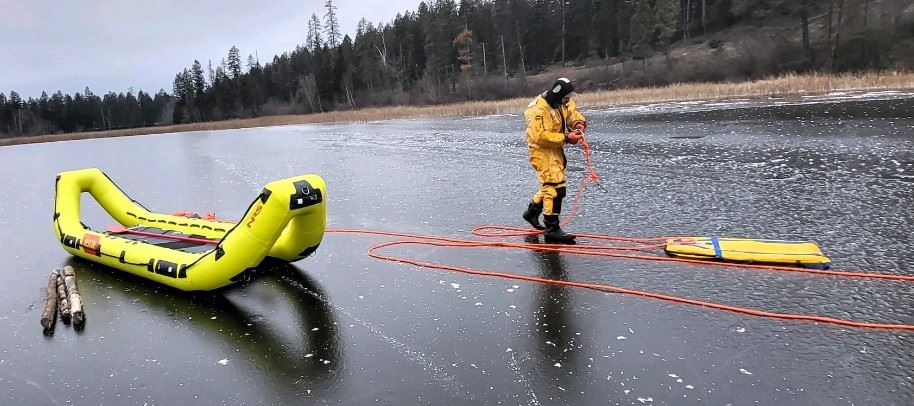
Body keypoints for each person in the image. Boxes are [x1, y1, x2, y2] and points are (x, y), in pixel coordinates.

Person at [522, 77, 586, 244]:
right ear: (557, 95)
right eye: (566, 98)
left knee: (552, 185)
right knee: (555, 187)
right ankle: (552, 228)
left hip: (555, 148)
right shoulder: (537, 110)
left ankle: (532, 212)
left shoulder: (563, 102)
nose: (568, 101)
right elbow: (540, 136)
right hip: (541, 150)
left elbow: (572, 114)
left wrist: (579, 125)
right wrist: (566, 137)